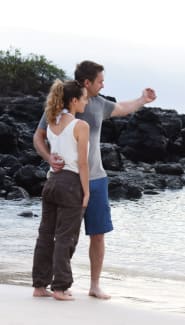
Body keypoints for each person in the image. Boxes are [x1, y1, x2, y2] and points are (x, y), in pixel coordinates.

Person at [33, 60, 157, 299]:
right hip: (68, 179)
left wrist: (142, 100)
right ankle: (53, 285)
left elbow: (121, 108)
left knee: (97, 233)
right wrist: (49, 158)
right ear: (87, 83)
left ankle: (94, 285)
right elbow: (38, 137)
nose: (103, 84)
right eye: (100, 81)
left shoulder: (99, 104)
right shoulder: (59, 108)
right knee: (61, 235)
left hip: (96, 178)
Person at [32, 79, 90, 301]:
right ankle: (60, 287)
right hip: (70, 183)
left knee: (45, 235)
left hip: (52, 181)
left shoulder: (51, 120)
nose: (86, 102)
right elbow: (82, 164)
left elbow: (43, 144)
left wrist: (49, 158)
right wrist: (86, 192)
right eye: (84, 98)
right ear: (74, 100)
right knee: (66, 237)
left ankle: (39, 285)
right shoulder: (80, 126)